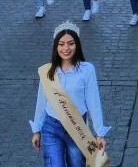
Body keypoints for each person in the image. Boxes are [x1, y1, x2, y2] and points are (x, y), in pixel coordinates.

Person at [30, 23, 109, 166]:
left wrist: (99, 134)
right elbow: (41, 101)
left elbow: (93, 102)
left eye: (70, 44)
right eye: (61, 44)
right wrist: (36, 130)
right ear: (56, 47)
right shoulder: (47, 71)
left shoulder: (87, 70)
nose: (66, 48)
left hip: (77, 129)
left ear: (77, 45)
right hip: (52, 127)